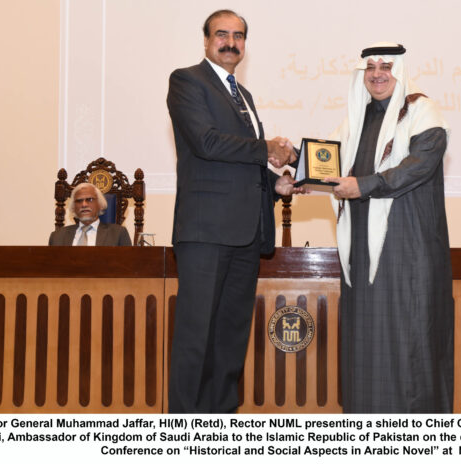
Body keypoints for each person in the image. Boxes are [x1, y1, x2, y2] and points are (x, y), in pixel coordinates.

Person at [166, 9, 303, 413]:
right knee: (195, 339)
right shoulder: (187, 80)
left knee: (229, 340)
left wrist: (275, 187)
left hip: (245, 235)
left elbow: (242, 168)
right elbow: (207, 143)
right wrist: (267, 148)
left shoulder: (243, 95)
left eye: (238, 36)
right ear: (206, 41)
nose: (230, 42)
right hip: (206, 234)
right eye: (221, 34)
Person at [323, 42, 454, 413]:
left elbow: (417, 167)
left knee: (409, 341)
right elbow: (328, 164)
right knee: (365, 344)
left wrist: (363, 186)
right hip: (363, 253)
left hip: (408, 249)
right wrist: (296, 165)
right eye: (371, 67)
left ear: (400, 71)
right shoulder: (357, 119)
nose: (378, 74)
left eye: (386, 67)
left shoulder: (422, 112)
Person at [49, 182, 132, 246]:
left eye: (90, 199)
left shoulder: (118, 234)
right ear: (74, 207)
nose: (84, 205)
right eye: (79, 201)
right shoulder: (57, 236)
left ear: (100, 204)